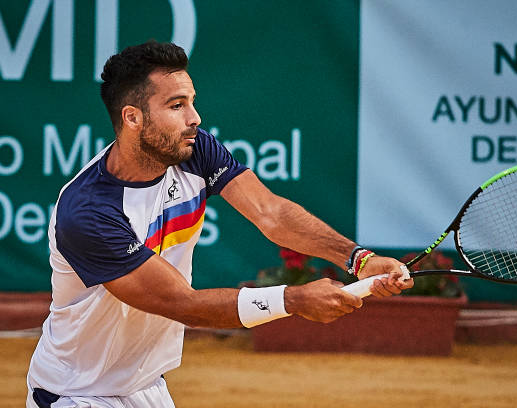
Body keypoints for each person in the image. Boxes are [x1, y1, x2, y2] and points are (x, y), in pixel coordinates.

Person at [26, 40, 413, 407]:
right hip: (77, 393)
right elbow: (184, 304)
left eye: (191, 102)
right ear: (133, 117)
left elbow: (271, 213)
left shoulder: (193, 149)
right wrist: (294, 300)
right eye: (177, 105)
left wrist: (359, 259)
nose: (195, 118)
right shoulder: (89, 212)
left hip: (146, 386)